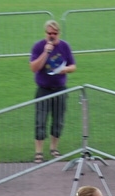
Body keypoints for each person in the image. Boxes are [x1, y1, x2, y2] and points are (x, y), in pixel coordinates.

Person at [29, 20, 76, 163]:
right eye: (49, 33)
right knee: (40, 120)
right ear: (45, 33)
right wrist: (46, 52)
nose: (52, 36)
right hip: (43, 90)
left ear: (58, 33)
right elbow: (34, 68)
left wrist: (65, 69)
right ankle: (39, 152)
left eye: (54, 33)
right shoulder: (38, 47)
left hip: (60, 90)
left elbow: (73, 66)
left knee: (58, 120)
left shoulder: (64, 46)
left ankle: (54, 148)